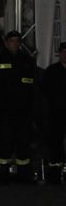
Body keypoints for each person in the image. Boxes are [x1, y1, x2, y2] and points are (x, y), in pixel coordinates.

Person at [0, 31, 37, 183]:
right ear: (6, 42)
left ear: (20, 43)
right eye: (12, 41)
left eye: (17, 41)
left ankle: (23, 175)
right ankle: (3, 175)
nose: (14, 44)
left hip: (23, 111)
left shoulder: (27, 60)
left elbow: (33, 85)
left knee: (23, 143)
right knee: (5, 143)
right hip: (5, 111)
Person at [41, 42, 66, 184]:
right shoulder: (52, 71)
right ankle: (55, 171)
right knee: (55, 142)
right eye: (63, 52)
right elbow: (44, 91)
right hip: (56, 113)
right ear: (59, 54)